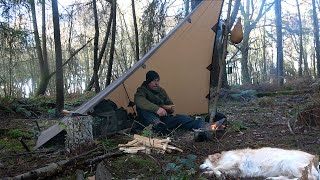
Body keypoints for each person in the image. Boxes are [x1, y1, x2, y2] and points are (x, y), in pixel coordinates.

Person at [134, 70, 209, 134]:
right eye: (154, 81)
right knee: (143, 110)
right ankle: (158, 126)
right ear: (148, 81)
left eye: (157, 81)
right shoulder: (142, 90)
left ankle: (204, 125)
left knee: (181, 118)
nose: (156, 83)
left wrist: (170, 109)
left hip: (163, 120)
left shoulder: (161, 91)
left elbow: (169, 104)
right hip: (148, 122)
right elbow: (139, 100)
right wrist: (156, 109)